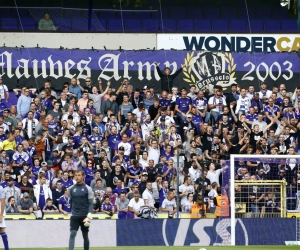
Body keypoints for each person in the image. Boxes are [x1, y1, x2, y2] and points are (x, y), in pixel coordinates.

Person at [68, 170, 93, 250]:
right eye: (76, 175)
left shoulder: (88, 188)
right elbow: (71, 201)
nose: (77, 177)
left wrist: (89, 214)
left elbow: (90, 203)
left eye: (79, 175)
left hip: (85, 216)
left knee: (85, 235)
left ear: (83, 176)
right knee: (72, 234)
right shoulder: (71, 189)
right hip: (75, 216)